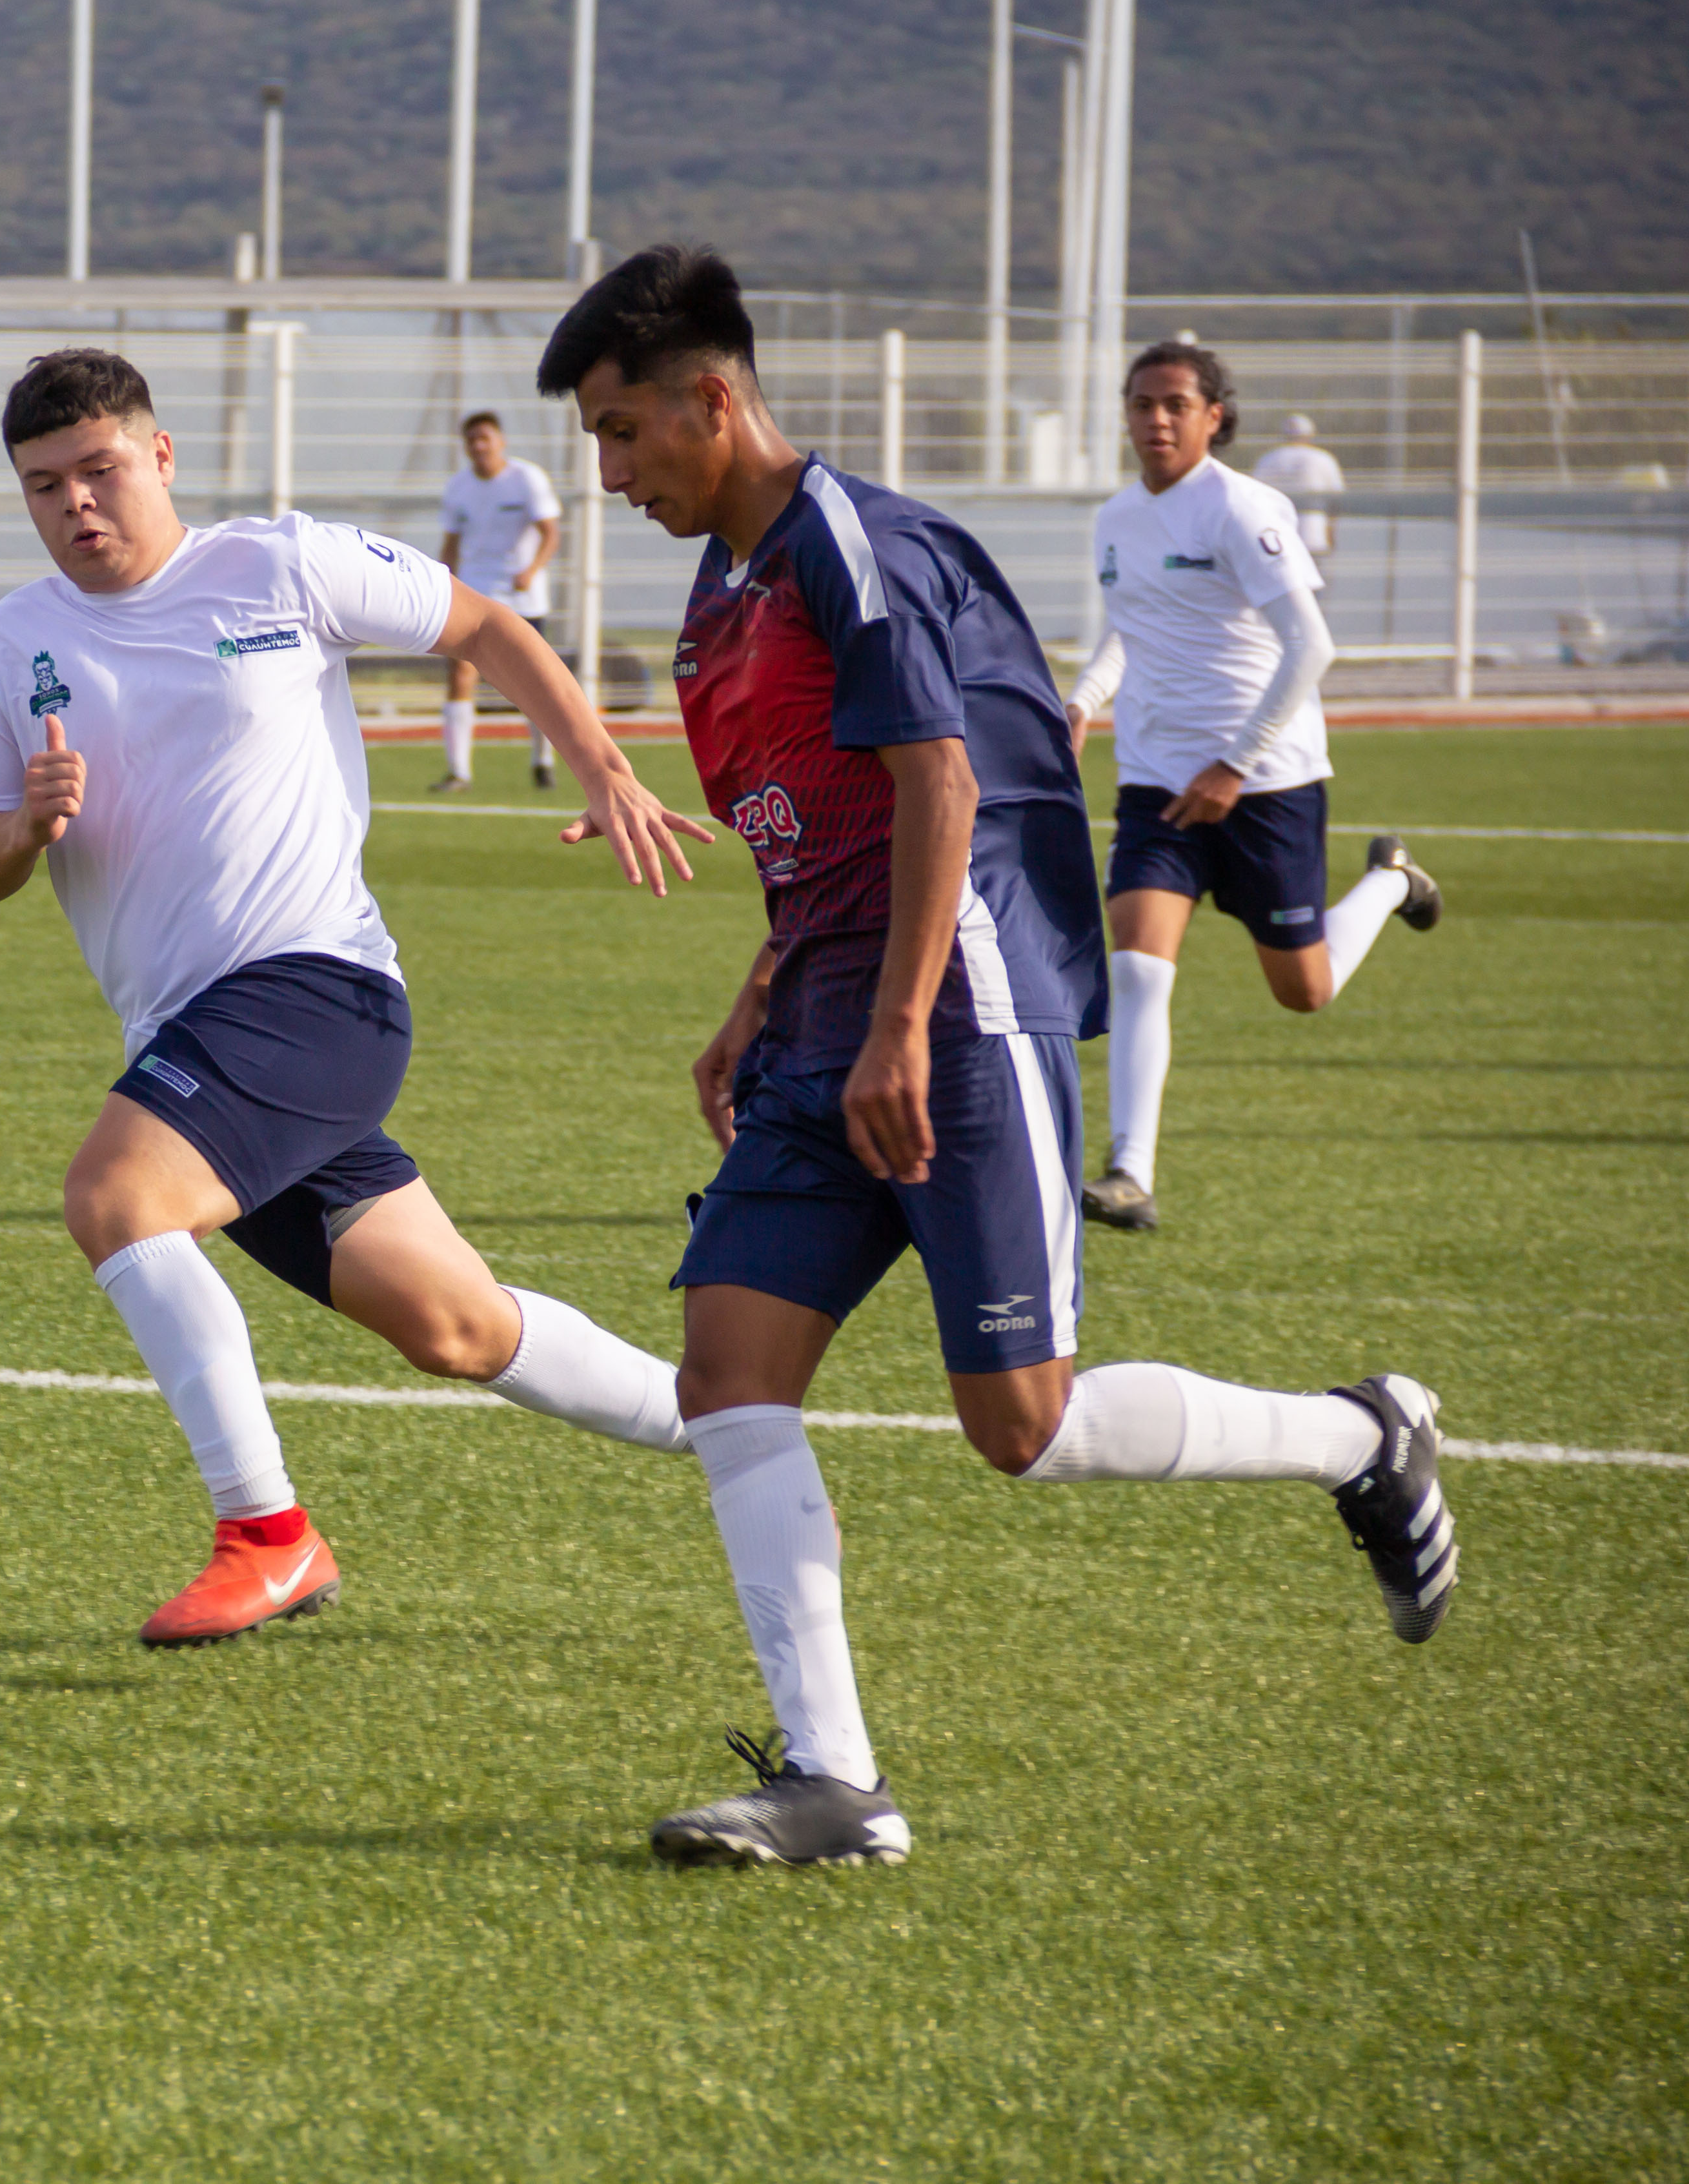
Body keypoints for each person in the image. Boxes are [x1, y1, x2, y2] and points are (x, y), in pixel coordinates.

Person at [541, 247, 1456, 1870]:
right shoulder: (719, 586)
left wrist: (898, 1023)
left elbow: (941, 788)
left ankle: (1357, 1434)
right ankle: (835, 1779)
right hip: (820, 1029)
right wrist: (764, 982)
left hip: (948, 1021)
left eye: (622, 433)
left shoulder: (846, 543)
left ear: (711, 396)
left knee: (1017, 1421)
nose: (608, 474)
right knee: (728, 1374)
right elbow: (810, 826)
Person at [0, 347, 714, 1648]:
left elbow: (484, 624)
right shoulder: (14, 644)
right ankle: (728, 1426)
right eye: (42, 487)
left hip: (317, 990)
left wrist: (600, 768)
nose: (75, 503)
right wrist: (27, 826)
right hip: (194, 1038)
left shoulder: (278, 566)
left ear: (160, 454)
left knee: (116, 1199)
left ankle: (268, 1537)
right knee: (457, 1326)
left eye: (99, 470)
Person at [1067, 343, 1439, 1234]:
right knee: (1136, 966)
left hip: (1267, 785)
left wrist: (1235, 762)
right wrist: (1080, 701)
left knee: (1303, 990)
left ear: (1213, 418)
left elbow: (1313, 646)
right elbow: (1134, 626)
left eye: (1175, 405)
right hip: (1157, 784)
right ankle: (1129, 1173)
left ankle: (1391, 879)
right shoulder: (1115, 519)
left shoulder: (1244, 508)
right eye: (1142, 404)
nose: (1156, 419)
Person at [431, 412, 565, 790]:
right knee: (461, 674)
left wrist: (532, 570)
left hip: (523, 598)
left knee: (534, 682)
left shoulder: (527, 479)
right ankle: (459, 772)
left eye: (485, 438)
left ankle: (542, 761)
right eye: (471, 439)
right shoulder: (458, 488)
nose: (479, 446)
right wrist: (445, 584)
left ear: (501, 441)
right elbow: (451, 543)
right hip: (475, 593)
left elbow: (551, 533)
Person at [1249, 411, 1348, 560]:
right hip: (1313, 535)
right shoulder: (1323, 459)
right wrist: (1331, 533)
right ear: (1310, 435)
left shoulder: (1268, 460)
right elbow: (1336, 500)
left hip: (1275, 538)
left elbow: (1253, 499)